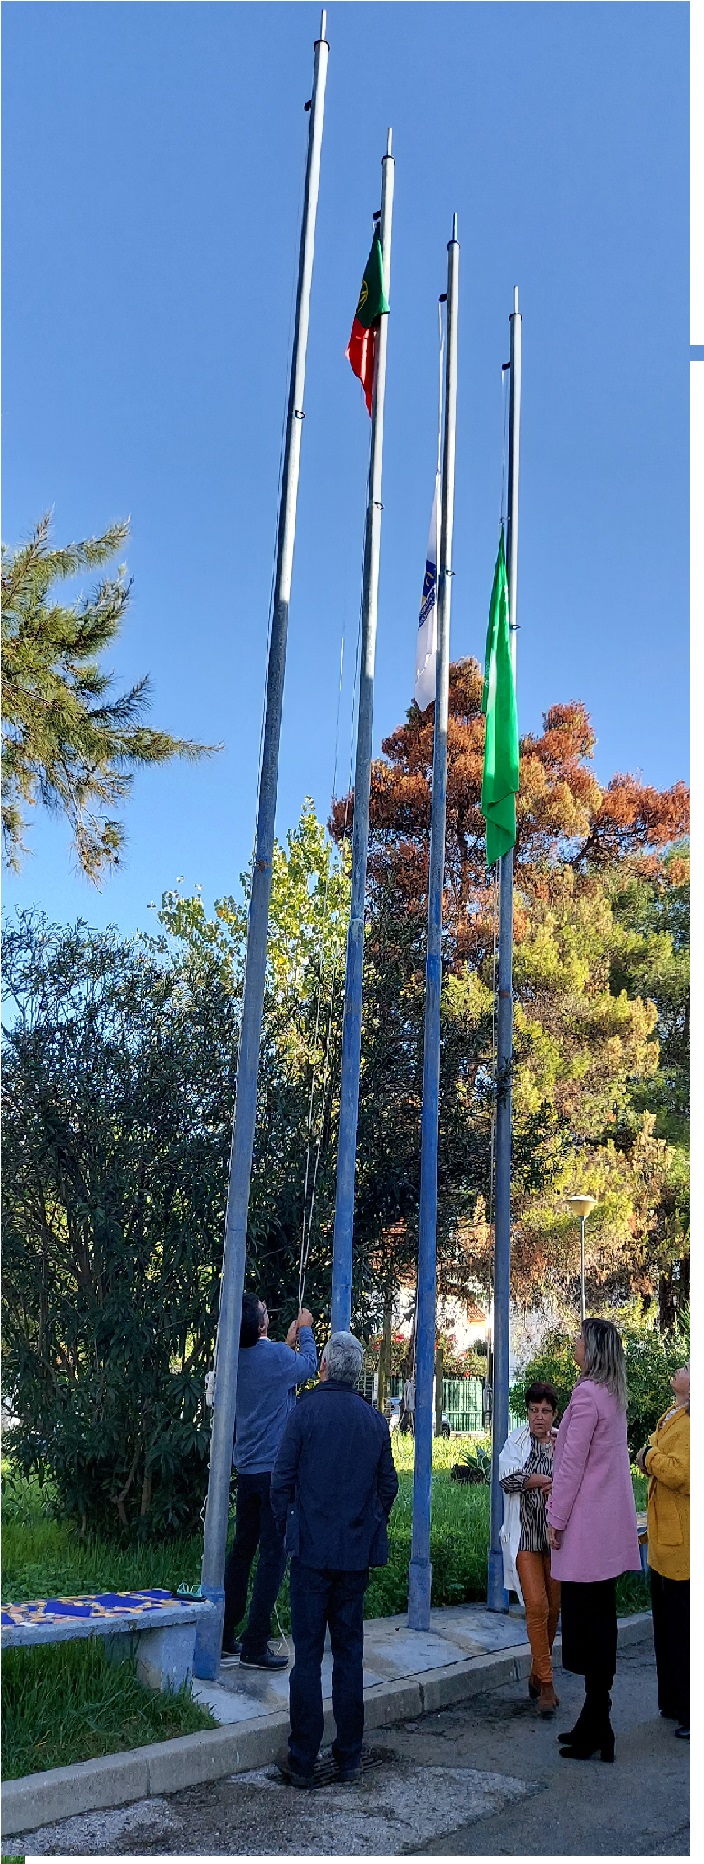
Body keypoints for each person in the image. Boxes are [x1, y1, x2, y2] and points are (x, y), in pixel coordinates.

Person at [270, 1330, 399, 1787]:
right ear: (357, 1372)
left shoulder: (304, 1414)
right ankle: (350, 1757)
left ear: (323, 1366)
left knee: (306, 1657)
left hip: (310, 1554)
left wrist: (291, 1527)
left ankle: (302, 1758)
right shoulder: (373, 1421)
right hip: (354, 1556)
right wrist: (368, 1523)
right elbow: (389, 1486)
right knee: (349, 1655)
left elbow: (281, 1480)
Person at [547, 1317, 641, 1763]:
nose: (575, 1346)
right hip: (609, 1529)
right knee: (602, 1621)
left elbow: (570, 1467)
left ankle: (597, 1723)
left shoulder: (586, 1397)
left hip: (584, 1528)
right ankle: (595, 1718)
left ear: (593, 1348)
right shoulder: (613, 1395)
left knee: (586, 1628)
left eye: (580, 1341)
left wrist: (556, 1518)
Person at [221, 1293, 318, 1670]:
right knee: (272, 1557)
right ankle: (256, 1643)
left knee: (242, 1552)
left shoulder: (237, 1357)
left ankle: (227, 1631)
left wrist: (286, 1343)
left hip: (245, 1470)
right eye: (265, 1311)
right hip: (275, 1474)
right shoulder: (277, 1357)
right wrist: (306, 1332)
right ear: (262, 1325)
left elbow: (275, 1365)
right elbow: (308, 1366)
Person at [499, 1382, 561, 1715]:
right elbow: (506, 1478)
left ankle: (538, 1674)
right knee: (536, 1606)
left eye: (546, 1411)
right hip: (525, 1539)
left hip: (556, 1541)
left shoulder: (563, 1440)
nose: (539, 1417)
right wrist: (535, 1480)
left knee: (553, 1611)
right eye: (534, 1411)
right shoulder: (517, 1441)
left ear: (554, 1413)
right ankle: (548, 1687)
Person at [635, 1363, 689, 1739]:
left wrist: (648, 1457)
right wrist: (649, 1458)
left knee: (684, 1631)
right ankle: (673, 1702)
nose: (679, 1369)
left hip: (684, 1544)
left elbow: (682, 1472)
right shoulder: (673, 1415)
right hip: (663, 1537)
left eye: (687, 1367)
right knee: (666, 1629)